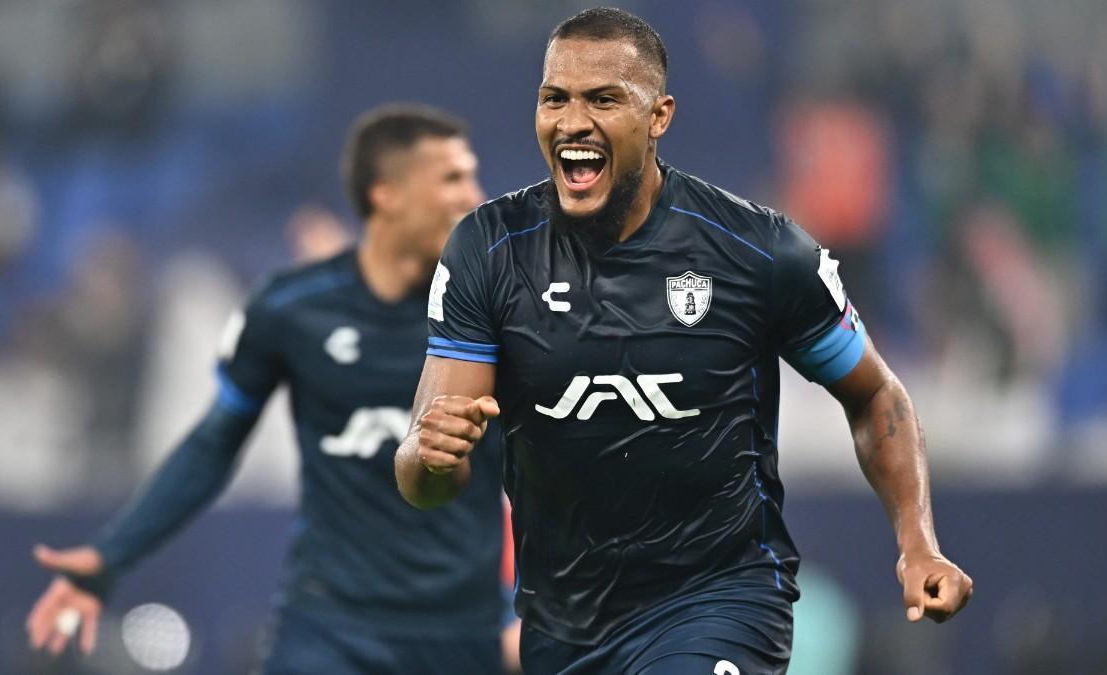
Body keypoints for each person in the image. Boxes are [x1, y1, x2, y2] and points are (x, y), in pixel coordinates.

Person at [396, 8, 973, 674]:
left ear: (659, 115)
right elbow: (425, 474)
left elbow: (875, 395)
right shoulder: (488, 252)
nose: (573, 121)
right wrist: (428, 457)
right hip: (565, 628)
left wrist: (917, 542)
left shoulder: (758, 252)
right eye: (555, 98)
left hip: (720, 602)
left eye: (603, 99)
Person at [26, 103, 517, 674]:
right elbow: (212, 444)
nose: (470, 196)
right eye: (451, 180)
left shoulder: (486, 317)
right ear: (387, 196)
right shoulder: (291, 312)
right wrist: (113, 554)